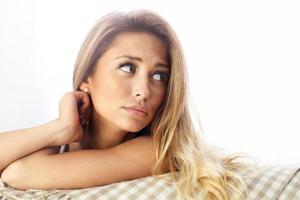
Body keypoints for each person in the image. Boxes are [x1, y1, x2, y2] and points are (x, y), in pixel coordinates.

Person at [0, 9, 254, 200]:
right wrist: (60, 128)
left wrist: (59, 131)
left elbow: (18, 175)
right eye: (128, 67)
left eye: (159, 76)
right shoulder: (63, 142)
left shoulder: (156, 150)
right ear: (88, 76)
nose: (144, 91)